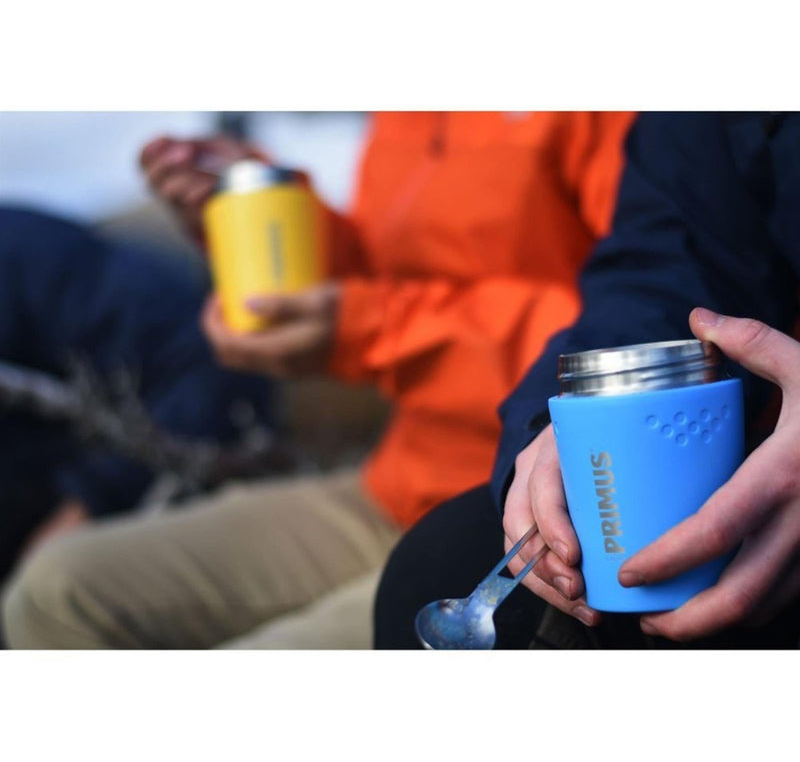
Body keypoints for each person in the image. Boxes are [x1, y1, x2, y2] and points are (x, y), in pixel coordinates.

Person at [1, 111, 636, 649]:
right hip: (396, 483)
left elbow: (629, 326)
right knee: (57, 592)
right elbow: (392, 272)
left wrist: (371, 327)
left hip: (527, 512)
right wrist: (273, 215)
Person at [374, 111, 800, 649]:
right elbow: (673, 259)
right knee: (436, 563)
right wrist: (552, 417)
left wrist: (358, 327)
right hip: (396, 475)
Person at [0, 206, 279, 585]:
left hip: (126, 526)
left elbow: (208, 364)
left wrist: (91, 504)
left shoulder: (27, 254)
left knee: (55, 589)